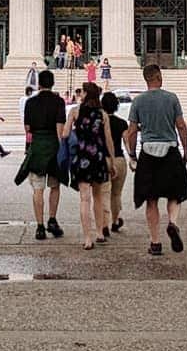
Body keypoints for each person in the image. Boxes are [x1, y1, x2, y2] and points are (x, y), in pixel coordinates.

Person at [124, 62, 187, 256]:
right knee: (175, 194)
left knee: (151, 200)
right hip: (170, 150)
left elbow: (131, 131)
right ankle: (173, 223)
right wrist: (185, 152)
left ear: (146, 79)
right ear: (159, 77)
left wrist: (132, 155)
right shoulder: (171, 98)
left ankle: (155, 243)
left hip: (148, 152)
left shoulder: (138, 101)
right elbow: (181, 125)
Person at [14, 68, 67, 240]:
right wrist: (61, 149)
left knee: (37, 188)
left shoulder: (30, 102)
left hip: (37, 146)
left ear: (38, 84)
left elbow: (27, 129)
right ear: (52, 84)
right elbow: (60, 128)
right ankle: (52, 218)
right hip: (53, 146)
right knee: (55, 186)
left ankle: (40, 226)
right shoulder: (59, 101)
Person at [65, 82, 115, 249]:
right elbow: (108, 140)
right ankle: (99, 232)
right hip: (98, 157)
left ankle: (87, 238)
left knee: (84, 199)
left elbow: (65, 134)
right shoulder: (102, 114)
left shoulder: (75, 111)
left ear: (86, 94)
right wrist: (112, 161)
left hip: (81, 157)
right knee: (98, 197)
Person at [101, 91, 128, 236]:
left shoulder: (100, 122)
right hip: (119, 158)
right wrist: (132, 157)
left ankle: (104, 223)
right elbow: (127, 142)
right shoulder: (122, 123)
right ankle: (115, 221)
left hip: (103, 159)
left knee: (103, 193)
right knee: (116, 194)